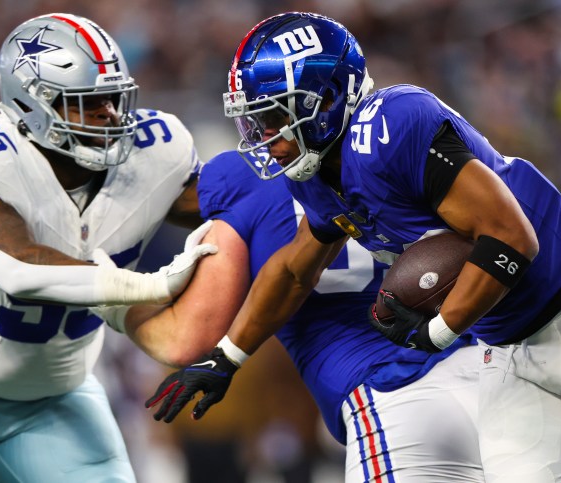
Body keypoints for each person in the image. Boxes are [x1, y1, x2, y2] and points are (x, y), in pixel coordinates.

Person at [147, 12, 561, 483]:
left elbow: (512, 237)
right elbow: (294, 269)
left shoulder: (395, 124)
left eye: (276, 118)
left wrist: (436, 331)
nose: (265, 137)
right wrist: (226, 357)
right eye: (256, 121)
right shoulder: (318, 173)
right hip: (503, 348)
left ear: (327, 101)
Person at [0, 13, 215, 482]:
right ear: (32, 105)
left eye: (114, 99)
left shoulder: (157, 149)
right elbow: (18, 267)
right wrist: (147, 287)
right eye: (87, 103)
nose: (110, 115)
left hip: (52, 386)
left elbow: (233, 213)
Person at [119, 148, 482, 481]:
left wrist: (114, 303)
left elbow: (188, 337)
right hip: (479, 367)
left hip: (387, 390)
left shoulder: (242, 177)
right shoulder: (391, 152)